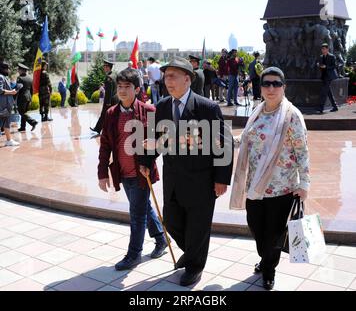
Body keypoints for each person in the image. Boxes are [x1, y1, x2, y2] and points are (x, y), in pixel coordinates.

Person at [139, 57, 233, 286]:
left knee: (198, 227)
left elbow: (224, 144)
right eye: (165, 76)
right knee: (171, 221)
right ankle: (192, 252)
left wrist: (221, 179)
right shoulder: (161, 106)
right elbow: (154, 140)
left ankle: (194, 266)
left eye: (172, 76)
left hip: (201, 179)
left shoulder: (207, 107)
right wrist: (146, 161)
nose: (167, 80)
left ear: (187, 79)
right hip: (173, 179)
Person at [229, 67, 310, 290]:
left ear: (284, 87)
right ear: (261, 87)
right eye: (266, 84)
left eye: (276, 83)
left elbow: (302, 151)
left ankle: (268, 269)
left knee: (273, 234)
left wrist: (304, 183)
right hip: (254, 186)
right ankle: (266, 258)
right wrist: (230, 141)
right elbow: (248, 139)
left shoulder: (292, 115)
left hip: (281, 188)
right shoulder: (258, 111)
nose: (271, 88)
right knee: (255, 227)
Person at [98, 69, 167, 270]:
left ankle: (134, 254)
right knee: (143, 207)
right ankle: (161, 239)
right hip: (122, 172)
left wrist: (148, 161)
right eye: (119, 86)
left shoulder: (150, 111)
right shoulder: (111, 113)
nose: (122, 90)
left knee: (136, 213)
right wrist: (102, 173)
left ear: (137, 89)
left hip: (142, 173)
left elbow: (160, 142)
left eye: (127, 86)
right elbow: (105, 146)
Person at [90, 59, 118, 134]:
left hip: (109, 100)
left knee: (104, 115)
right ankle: (101, 129)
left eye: (105, 66)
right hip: (115, 99)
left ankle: (98, 129)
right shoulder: (114, 75)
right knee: (112, 115)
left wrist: (108, 102)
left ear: (108, 67)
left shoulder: (109, 78)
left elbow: (109, 91)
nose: (104, 68)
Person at [0, 61, 20, 146]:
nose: (8, 70)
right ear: (3, 69)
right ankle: (9, 140)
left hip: (4, 104)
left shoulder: (3, 77)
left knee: (5, 121)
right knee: (5, 121)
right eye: (7, 69)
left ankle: (9, 140)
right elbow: (0, 90)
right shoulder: (1, 77)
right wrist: (11, 92)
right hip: (3, 104)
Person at [317, 43, 339, 113]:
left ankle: (321, 108)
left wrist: (326, 67)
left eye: (324, 49)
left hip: (329, 76)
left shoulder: (332, 56)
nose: (322, 50)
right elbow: (321, 65)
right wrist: (319, 65)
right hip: (323, 76)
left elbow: (334, 66)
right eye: (322, 49)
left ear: (327, 49)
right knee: (328, 92)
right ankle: (335, 106)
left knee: (323, 92)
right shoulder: (321, 57)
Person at [16, 63, 37, 132]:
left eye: (18, 70)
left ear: (22, 70)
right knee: (24, 112)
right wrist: (30, 99)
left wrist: (14, 98)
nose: (18, 71)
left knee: (21, 112)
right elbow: (32, 90)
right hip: (28, 97)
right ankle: (22, 127)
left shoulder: (19, 78)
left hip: (22, 98)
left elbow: (18, 89)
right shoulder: (30, 78)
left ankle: (33, 122)